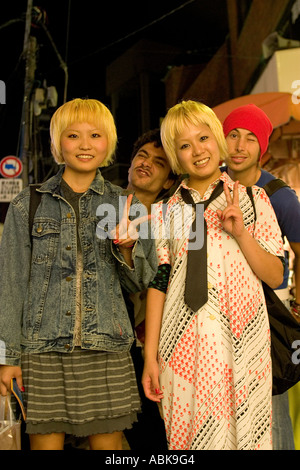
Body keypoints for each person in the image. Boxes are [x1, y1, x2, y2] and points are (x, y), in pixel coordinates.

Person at [0, 98, 157, 450]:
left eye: (95, 135)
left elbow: (141, 282)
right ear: (58, 144)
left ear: (109, 144)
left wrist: (128, 247)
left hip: (107, 349)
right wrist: (6, 359)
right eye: (73, 135)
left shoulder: (125, 204)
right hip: (41, 351)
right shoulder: (27, 204)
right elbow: (9, 286)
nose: (85, 144)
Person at [142, 100, 284, 450]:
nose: (197, 150)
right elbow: (159, 282)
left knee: (247, 439)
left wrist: (241, 233)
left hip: (242, 345)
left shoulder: (253, 199)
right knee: (187, 442)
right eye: (184, 145)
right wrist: (149, 357)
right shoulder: (163, 212)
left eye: (203, 137)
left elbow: (275, 274)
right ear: (176, 156)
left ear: (217, 140)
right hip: (180, 350)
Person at [222, 103, 300, 450]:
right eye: (233, 135)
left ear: (262, 148)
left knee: (270, 413)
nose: (239, 146)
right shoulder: (209, 184)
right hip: (218, 318)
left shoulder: (279, 196)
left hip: (268, 316)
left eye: (251, 139)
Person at [123, 129, 176, 451]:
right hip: (101, 340)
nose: (147, 164)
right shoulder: (100, 206)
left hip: (147, 344)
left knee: (150, 435)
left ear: (168, 181)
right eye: (142, 156)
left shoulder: (169, 223)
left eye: (159, 162)